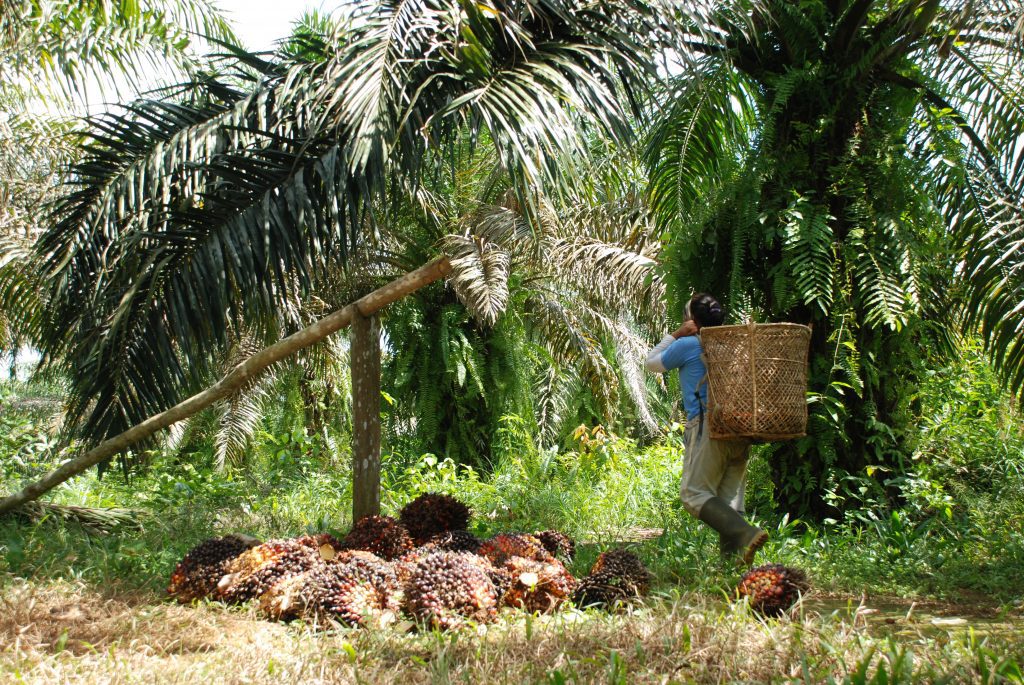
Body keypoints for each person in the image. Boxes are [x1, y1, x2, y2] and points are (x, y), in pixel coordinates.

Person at [645, 293, 767, 565]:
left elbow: (651, 362)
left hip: (707, 427)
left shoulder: (689, 343)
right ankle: (731, 570)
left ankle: (747, 533)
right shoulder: (732, 344)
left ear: (691, 320)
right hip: (739, 428)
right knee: (728, 502)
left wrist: (677, 333)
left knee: (693, 494)